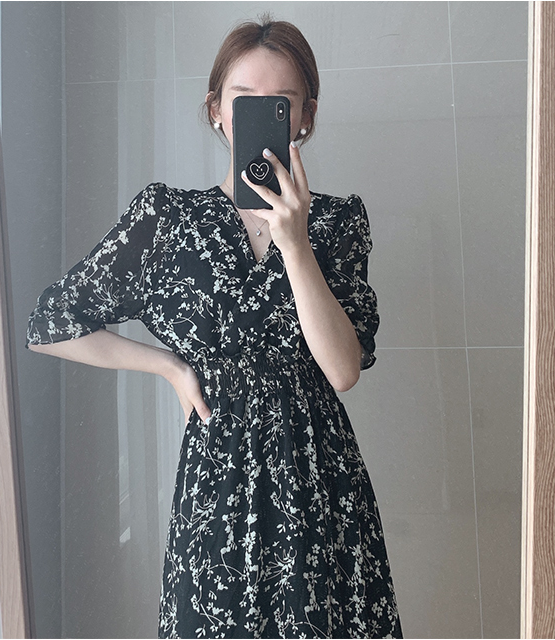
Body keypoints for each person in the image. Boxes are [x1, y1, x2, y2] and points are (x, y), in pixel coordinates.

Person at [26, 16, 403, 640]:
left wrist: (295, 242)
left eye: (280, 102)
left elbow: (342, 369)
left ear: (304, 117)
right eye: (244, 99)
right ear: (217, 112)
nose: (261, 114)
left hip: (319, 483)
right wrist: (169, 366)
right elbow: (50, 323)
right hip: (216, 487)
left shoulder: (337, 224)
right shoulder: (166, 220)